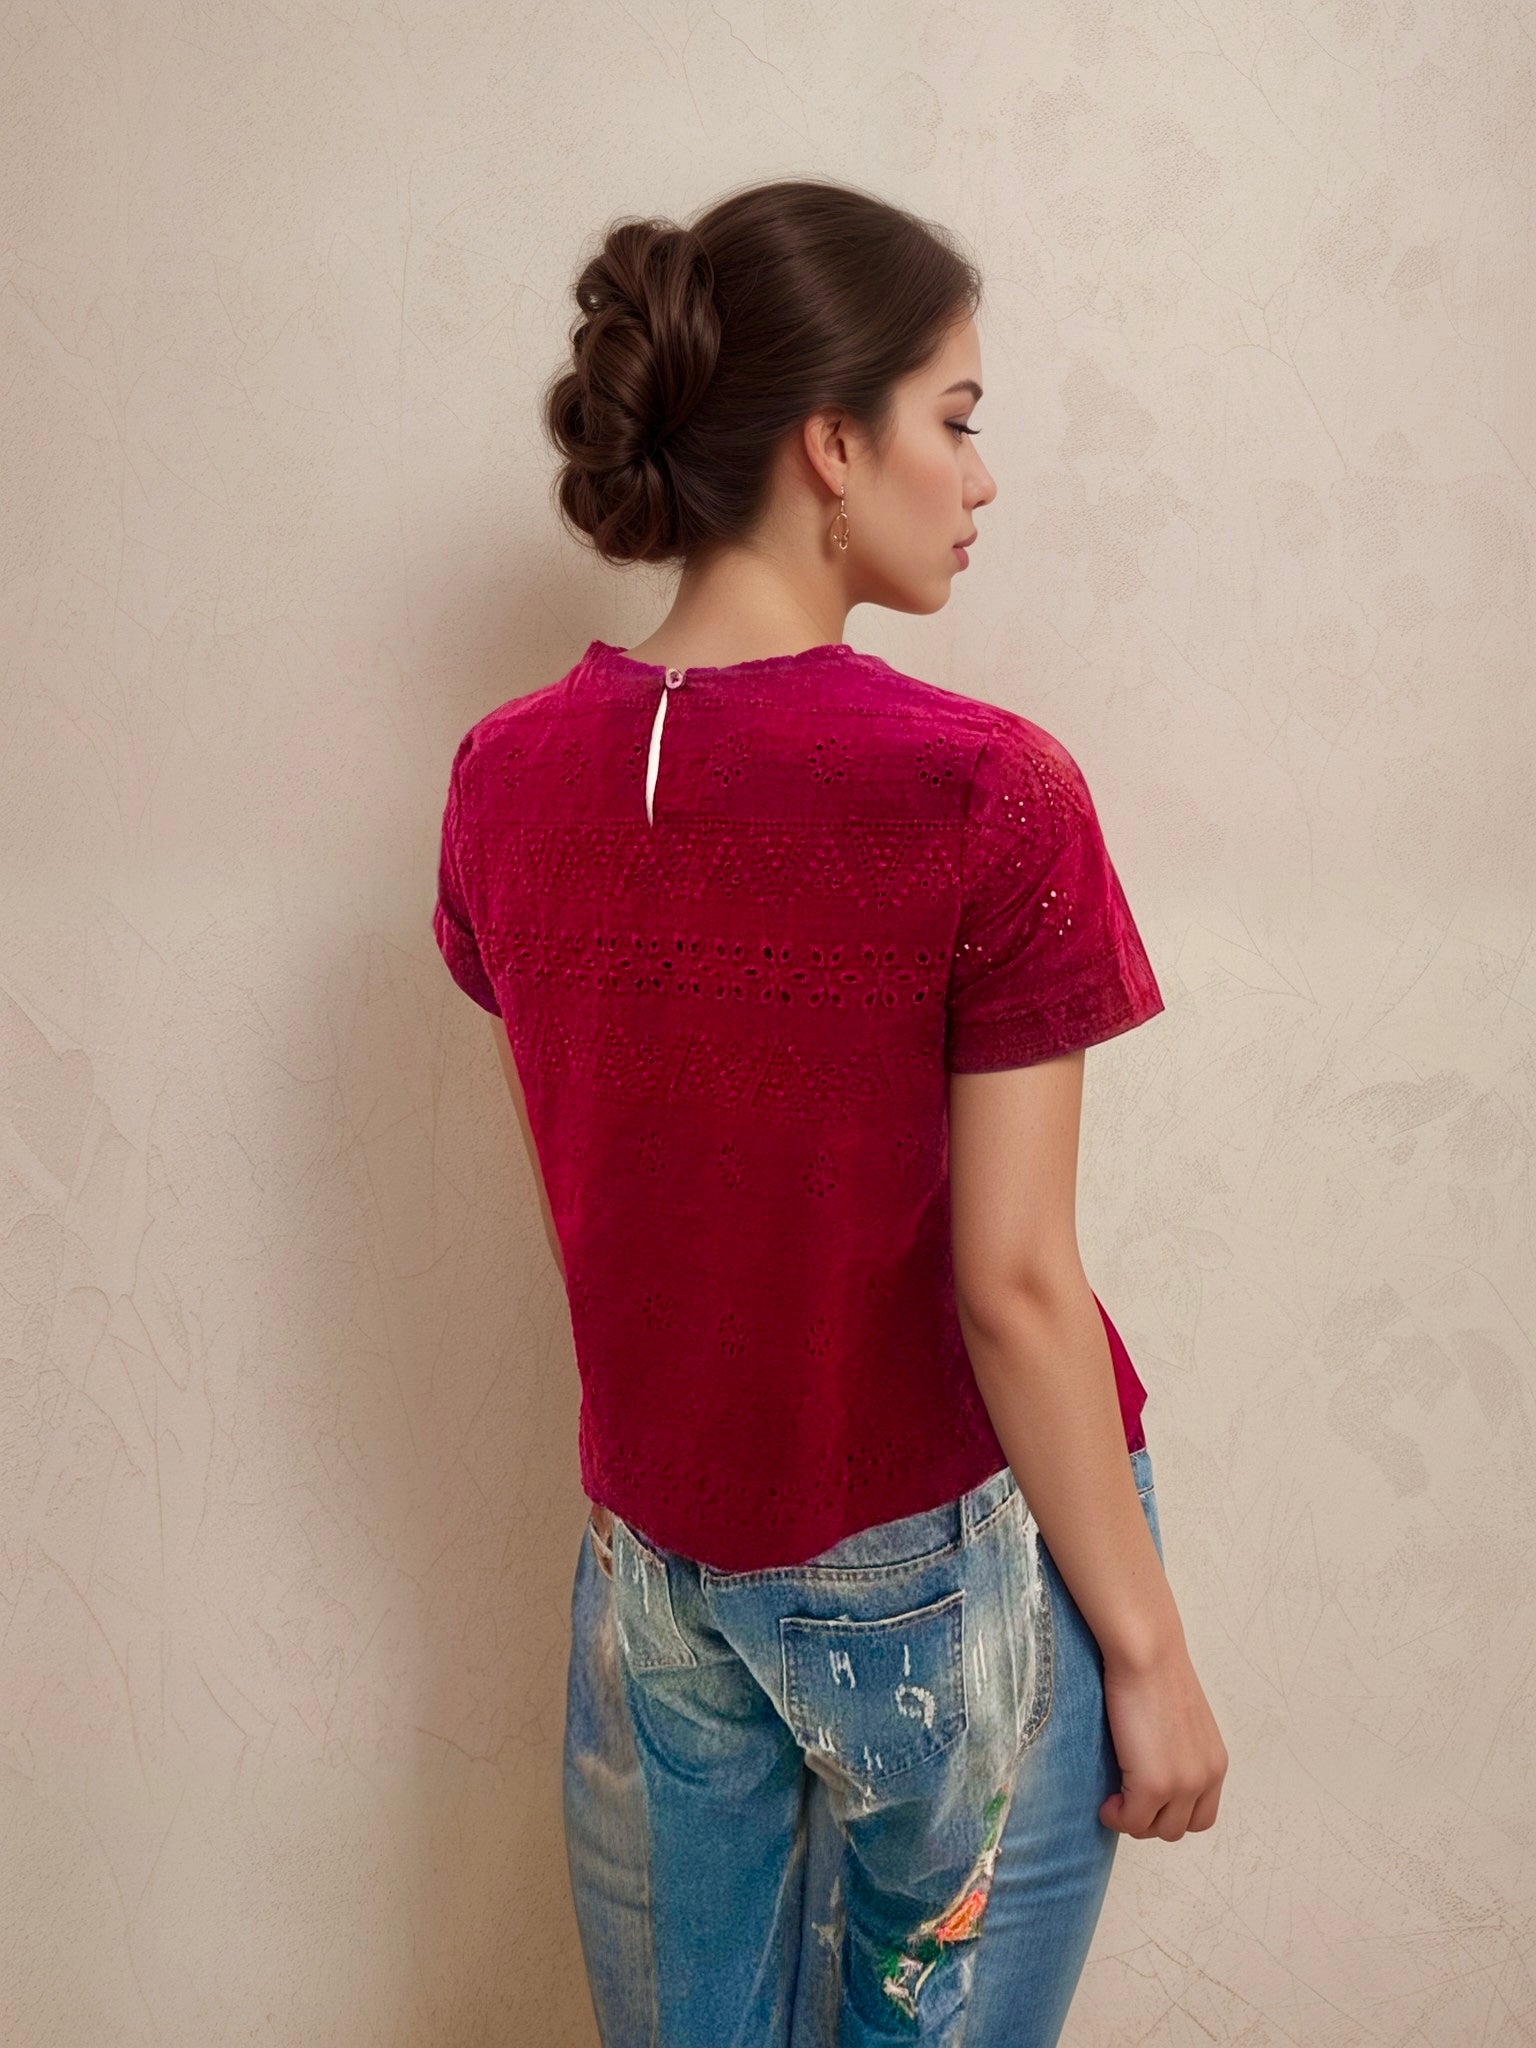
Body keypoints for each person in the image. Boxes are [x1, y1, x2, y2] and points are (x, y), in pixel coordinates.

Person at [433, 174, 1227, 2047]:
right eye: (956, 416)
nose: (982, 476)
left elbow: (596, 1201)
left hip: (658, 1569)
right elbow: (1013, 1285)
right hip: (940, 1557)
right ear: (831, 445)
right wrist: (1149, 1652)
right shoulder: (985, 794)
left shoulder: (501, 780)